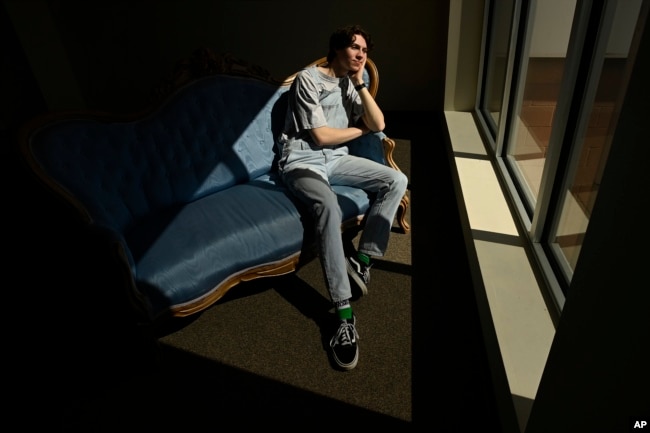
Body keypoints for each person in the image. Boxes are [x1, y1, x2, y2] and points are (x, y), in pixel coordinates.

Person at [277, 24, 408, 370]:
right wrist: (358, 129)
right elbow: (319, 137)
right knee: (329, 207)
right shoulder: (309, 79)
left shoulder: (351, 82)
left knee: (397, 179)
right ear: (337, 49)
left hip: (335, 160)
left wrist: (362, 84)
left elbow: (378, 123)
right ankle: (343, 315)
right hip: (302, 161)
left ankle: (363, 263)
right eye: (355, 48)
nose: (361, 54)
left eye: (365, 50)